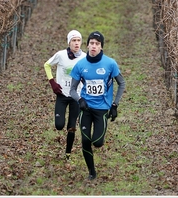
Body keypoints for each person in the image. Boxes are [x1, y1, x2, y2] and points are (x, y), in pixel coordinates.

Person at [70, 31, 126, 180]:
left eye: (97, 44)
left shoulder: (110, 64)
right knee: (85, 140)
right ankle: (91, 172)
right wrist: (80, 100)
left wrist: (115, 105)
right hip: (86, 109)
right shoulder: (80, 65)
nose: (94, 46)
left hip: (102, 109)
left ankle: (97, 146)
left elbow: (122, 83)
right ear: (87, 45)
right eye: (92, 43)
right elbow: (72, 90)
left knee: (98, 142)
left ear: (101, 47)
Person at [44, 30, 86, 162]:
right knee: (59, 125)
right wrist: (52, 83)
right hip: (62, 95)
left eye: (78, 40)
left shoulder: (85, 57)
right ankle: (60, 124)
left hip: (76, 96)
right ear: (69, 42)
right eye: (74, 41)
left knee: (72, 127)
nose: (76, 43)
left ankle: (68, 153)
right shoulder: (61, 55)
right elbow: (47, 65)